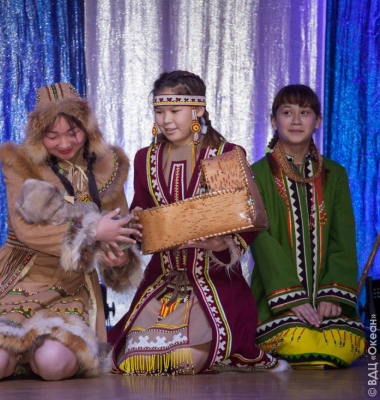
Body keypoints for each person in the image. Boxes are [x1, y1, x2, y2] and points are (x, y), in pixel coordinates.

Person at [0, 82, 143, 381]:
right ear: (39, 135)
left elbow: (118, 231)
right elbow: (26, 231)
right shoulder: (20, 163)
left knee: (52, 364)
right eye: (53, 136)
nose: (64, 143)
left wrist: (118, 260)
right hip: (21, 276)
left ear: (87, 128)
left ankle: (38, 356)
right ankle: (17, 356)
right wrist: (92, 231)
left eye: (73, 132)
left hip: (72, 285)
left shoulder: (108, 167)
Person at [108, 70, 288, 375]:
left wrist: (221, 244)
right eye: (159, 111)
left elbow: (248, 221)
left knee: (184, 359)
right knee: (135, 360)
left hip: (214, 284)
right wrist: (137, 226)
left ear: (198, 110)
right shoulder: (145, 159)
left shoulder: (223, 154)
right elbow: (144, 224)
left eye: (175, 111)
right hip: (162, 281)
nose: (166, 120)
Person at [249, 84, 366, 369]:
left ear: (318, 120)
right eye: (287, 112)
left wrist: (332, 295)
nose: (296, 120)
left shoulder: (335, 174)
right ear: (274, 120)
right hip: (276, 303)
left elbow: (343, 238)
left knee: (347, 343)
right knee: (301, 342)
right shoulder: (256, 175)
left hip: (327, 305)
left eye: (305, 112)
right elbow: (261, 241)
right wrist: (291, 298)